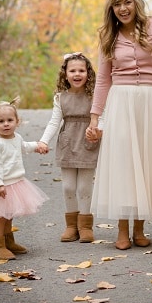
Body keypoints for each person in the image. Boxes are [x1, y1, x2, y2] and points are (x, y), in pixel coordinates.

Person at [85, 0, 152, 250]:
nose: (122, 8)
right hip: (121, 103)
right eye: (117, 4)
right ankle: (122, 230)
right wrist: (95, 117)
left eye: (127, 2)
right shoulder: (109, 36)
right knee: (124, 163)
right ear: (111, 8)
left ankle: (140, 227)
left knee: (147, 162)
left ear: (136, 2)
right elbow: (103, 80)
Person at [38, 52, 101, 243]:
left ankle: (85, 226)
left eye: (81, 70)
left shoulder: (94, 96)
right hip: (67, 144)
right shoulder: (60, 97)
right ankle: (71, 226)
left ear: (88, 74)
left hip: (88, 142)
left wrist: (99, 131)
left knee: (84, 186)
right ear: (65, 74)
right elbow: (53, 122)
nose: (77, 74)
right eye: (72, 70)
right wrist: (43, 141)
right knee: (68, 187)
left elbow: (103, 118)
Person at [0, 97, 49, 260]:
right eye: (1, 121)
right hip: (3, 185)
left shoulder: (16, 137)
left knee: (9, 215)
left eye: (10, 120)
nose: (6, 124)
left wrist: (37, 146)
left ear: (17, 121)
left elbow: (24, 146)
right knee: (1, 217)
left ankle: (9, 242)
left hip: (16, 183)